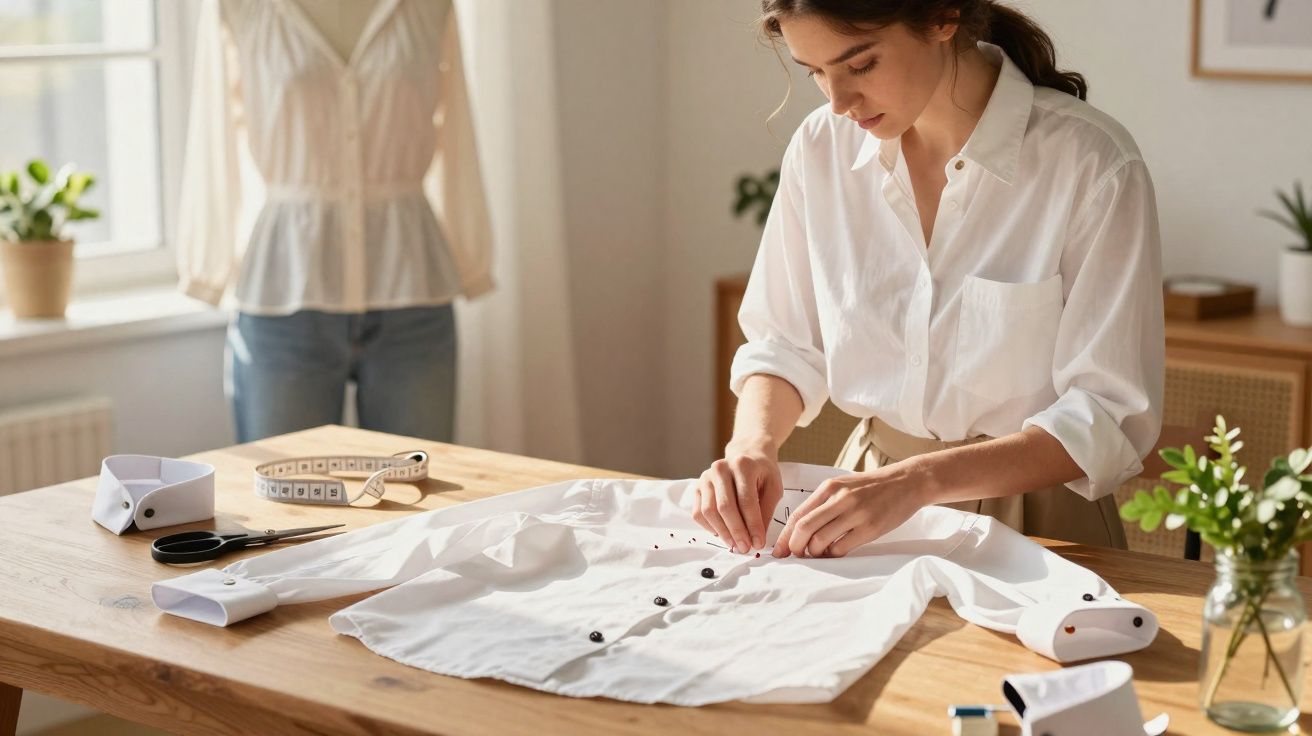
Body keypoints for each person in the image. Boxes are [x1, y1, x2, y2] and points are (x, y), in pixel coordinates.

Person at [696, 0, 1164, 559]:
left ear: (943, 18)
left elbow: (1108, 414)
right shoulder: (821, 148)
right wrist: (753, 443)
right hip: (864, 508)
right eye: (816, 73)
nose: (838, 102)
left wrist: (919, 482)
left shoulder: (1090, 162)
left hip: (1037, 520)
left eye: (860, 65)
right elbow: (784, 343)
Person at [177, 0, 493, 444]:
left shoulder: (428, 7)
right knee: (282, 503)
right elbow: (213, 140)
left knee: (420, 500)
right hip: (285, 295)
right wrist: (208, 265)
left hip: (413, 292)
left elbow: (458, 134)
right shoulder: (240, 8)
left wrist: (470, 257)